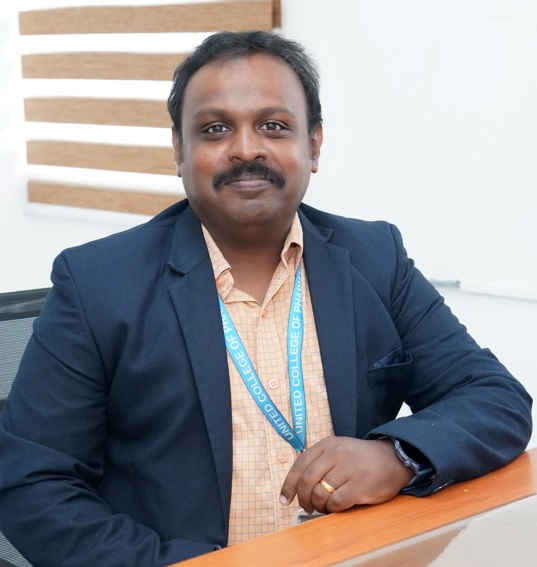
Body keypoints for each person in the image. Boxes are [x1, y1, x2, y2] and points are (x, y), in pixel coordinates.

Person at [0, 30, 532, 567]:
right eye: (215, 129)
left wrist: (396, 456)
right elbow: (31, 483)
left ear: (313, 145)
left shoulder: (375, 258)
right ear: (179, 149)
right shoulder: (98, 284)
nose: (246, 148)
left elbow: (495, 398)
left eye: (273, 126)